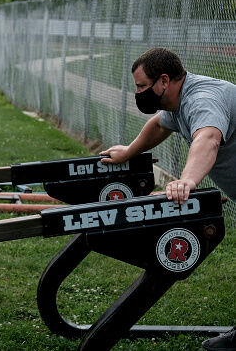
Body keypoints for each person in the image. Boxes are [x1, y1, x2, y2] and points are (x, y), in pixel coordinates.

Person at [99, 47, 236, 351]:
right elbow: (160, 125)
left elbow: (208, 137)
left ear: (163, 80)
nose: (138, 93)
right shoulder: (177, 103)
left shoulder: (202, 100)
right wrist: (127, 153)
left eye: (141, 86)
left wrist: (188, 180)